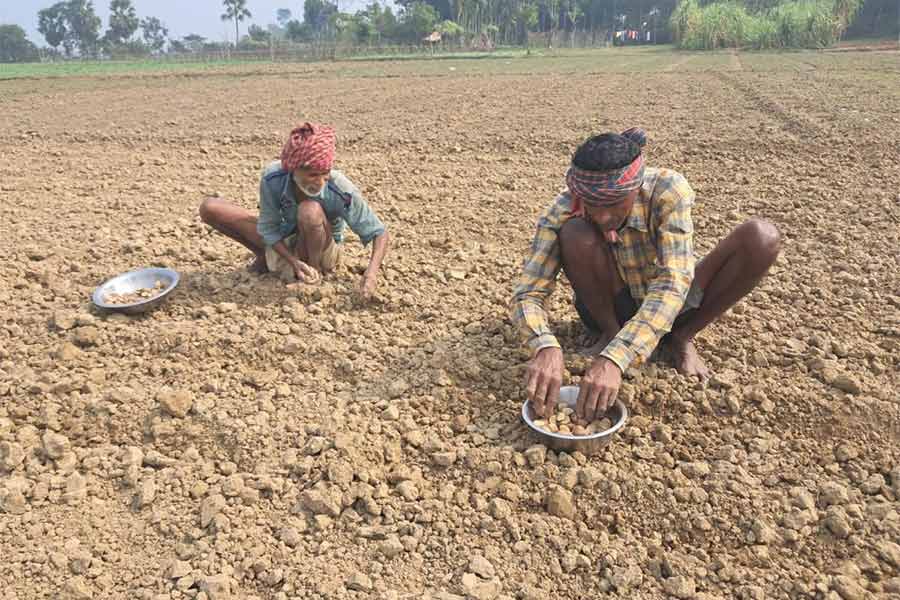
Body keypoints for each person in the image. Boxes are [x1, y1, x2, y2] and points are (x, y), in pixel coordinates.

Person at [510, 128, 780, 422]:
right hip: (613, 301)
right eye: (593, 205)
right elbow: (528, 292)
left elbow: (672, 283)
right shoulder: (563, 208)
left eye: (614, 204)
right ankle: (610, 331)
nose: (602, 216)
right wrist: (545, 345)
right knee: (575, 231)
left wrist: (616, 358)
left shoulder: (667, 190)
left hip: (673, 306)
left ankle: (682, 338)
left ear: (636, 187)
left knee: (761, 237)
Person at [199, 122, 390, 299]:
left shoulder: (340, 188)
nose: (320, 181)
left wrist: (371, 274)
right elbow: (268, 228)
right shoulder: (274, 178)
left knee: (309, 210)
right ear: (293, 169)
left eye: (325, 174)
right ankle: (269, 258)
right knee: (210, 208)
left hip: (323, 248)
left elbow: (379, 233)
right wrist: (292, 261)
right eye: (312, 175)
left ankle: (314, 272)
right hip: (288, 239)